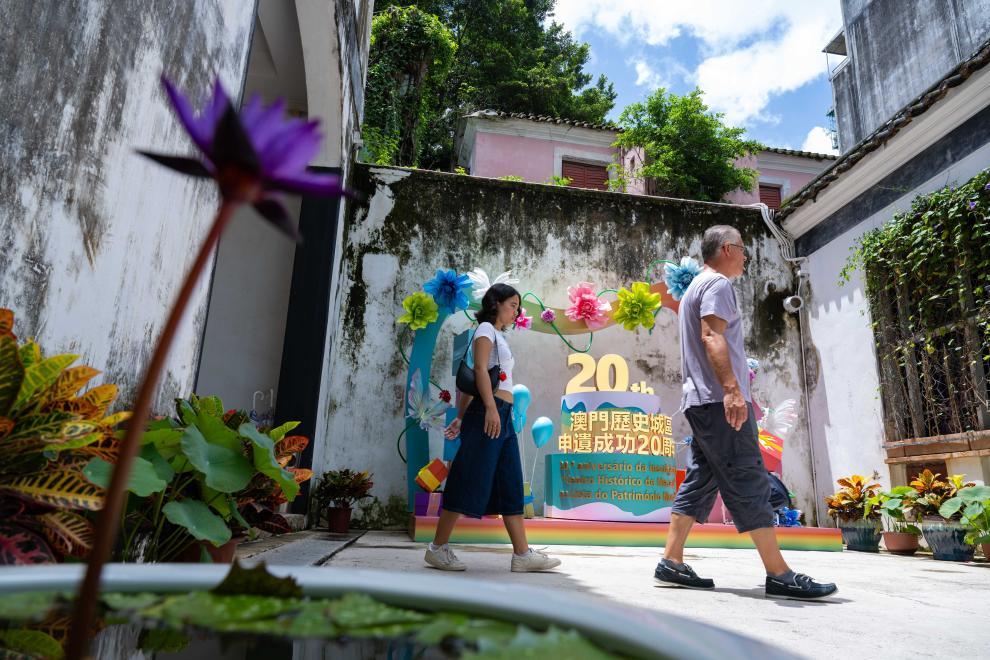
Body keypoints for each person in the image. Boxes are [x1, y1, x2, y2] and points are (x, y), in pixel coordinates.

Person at [655, 225, 837, 601]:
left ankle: (671, 561)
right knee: (749, 477)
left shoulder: (695, 288)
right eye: (743, 249)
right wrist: (732, 390)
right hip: (717, 402)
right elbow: (711, 336)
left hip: (701, 402)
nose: (746, 257)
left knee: (701, 478)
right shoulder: (717, 284)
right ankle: (779, 573)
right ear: (727, 249)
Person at [425, 283, 561, 573]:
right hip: (491, 413)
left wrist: (462, 417)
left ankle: (522, 554)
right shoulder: (486, 330)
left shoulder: (498, 335)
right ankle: (437, 548)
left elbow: (477, 379)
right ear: (495, 302)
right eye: (512, 305)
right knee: (467, 476)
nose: (516, 311)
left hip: (502, 414)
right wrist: (488, 408)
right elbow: (478, 370)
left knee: (510, 481)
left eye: (518, 307)